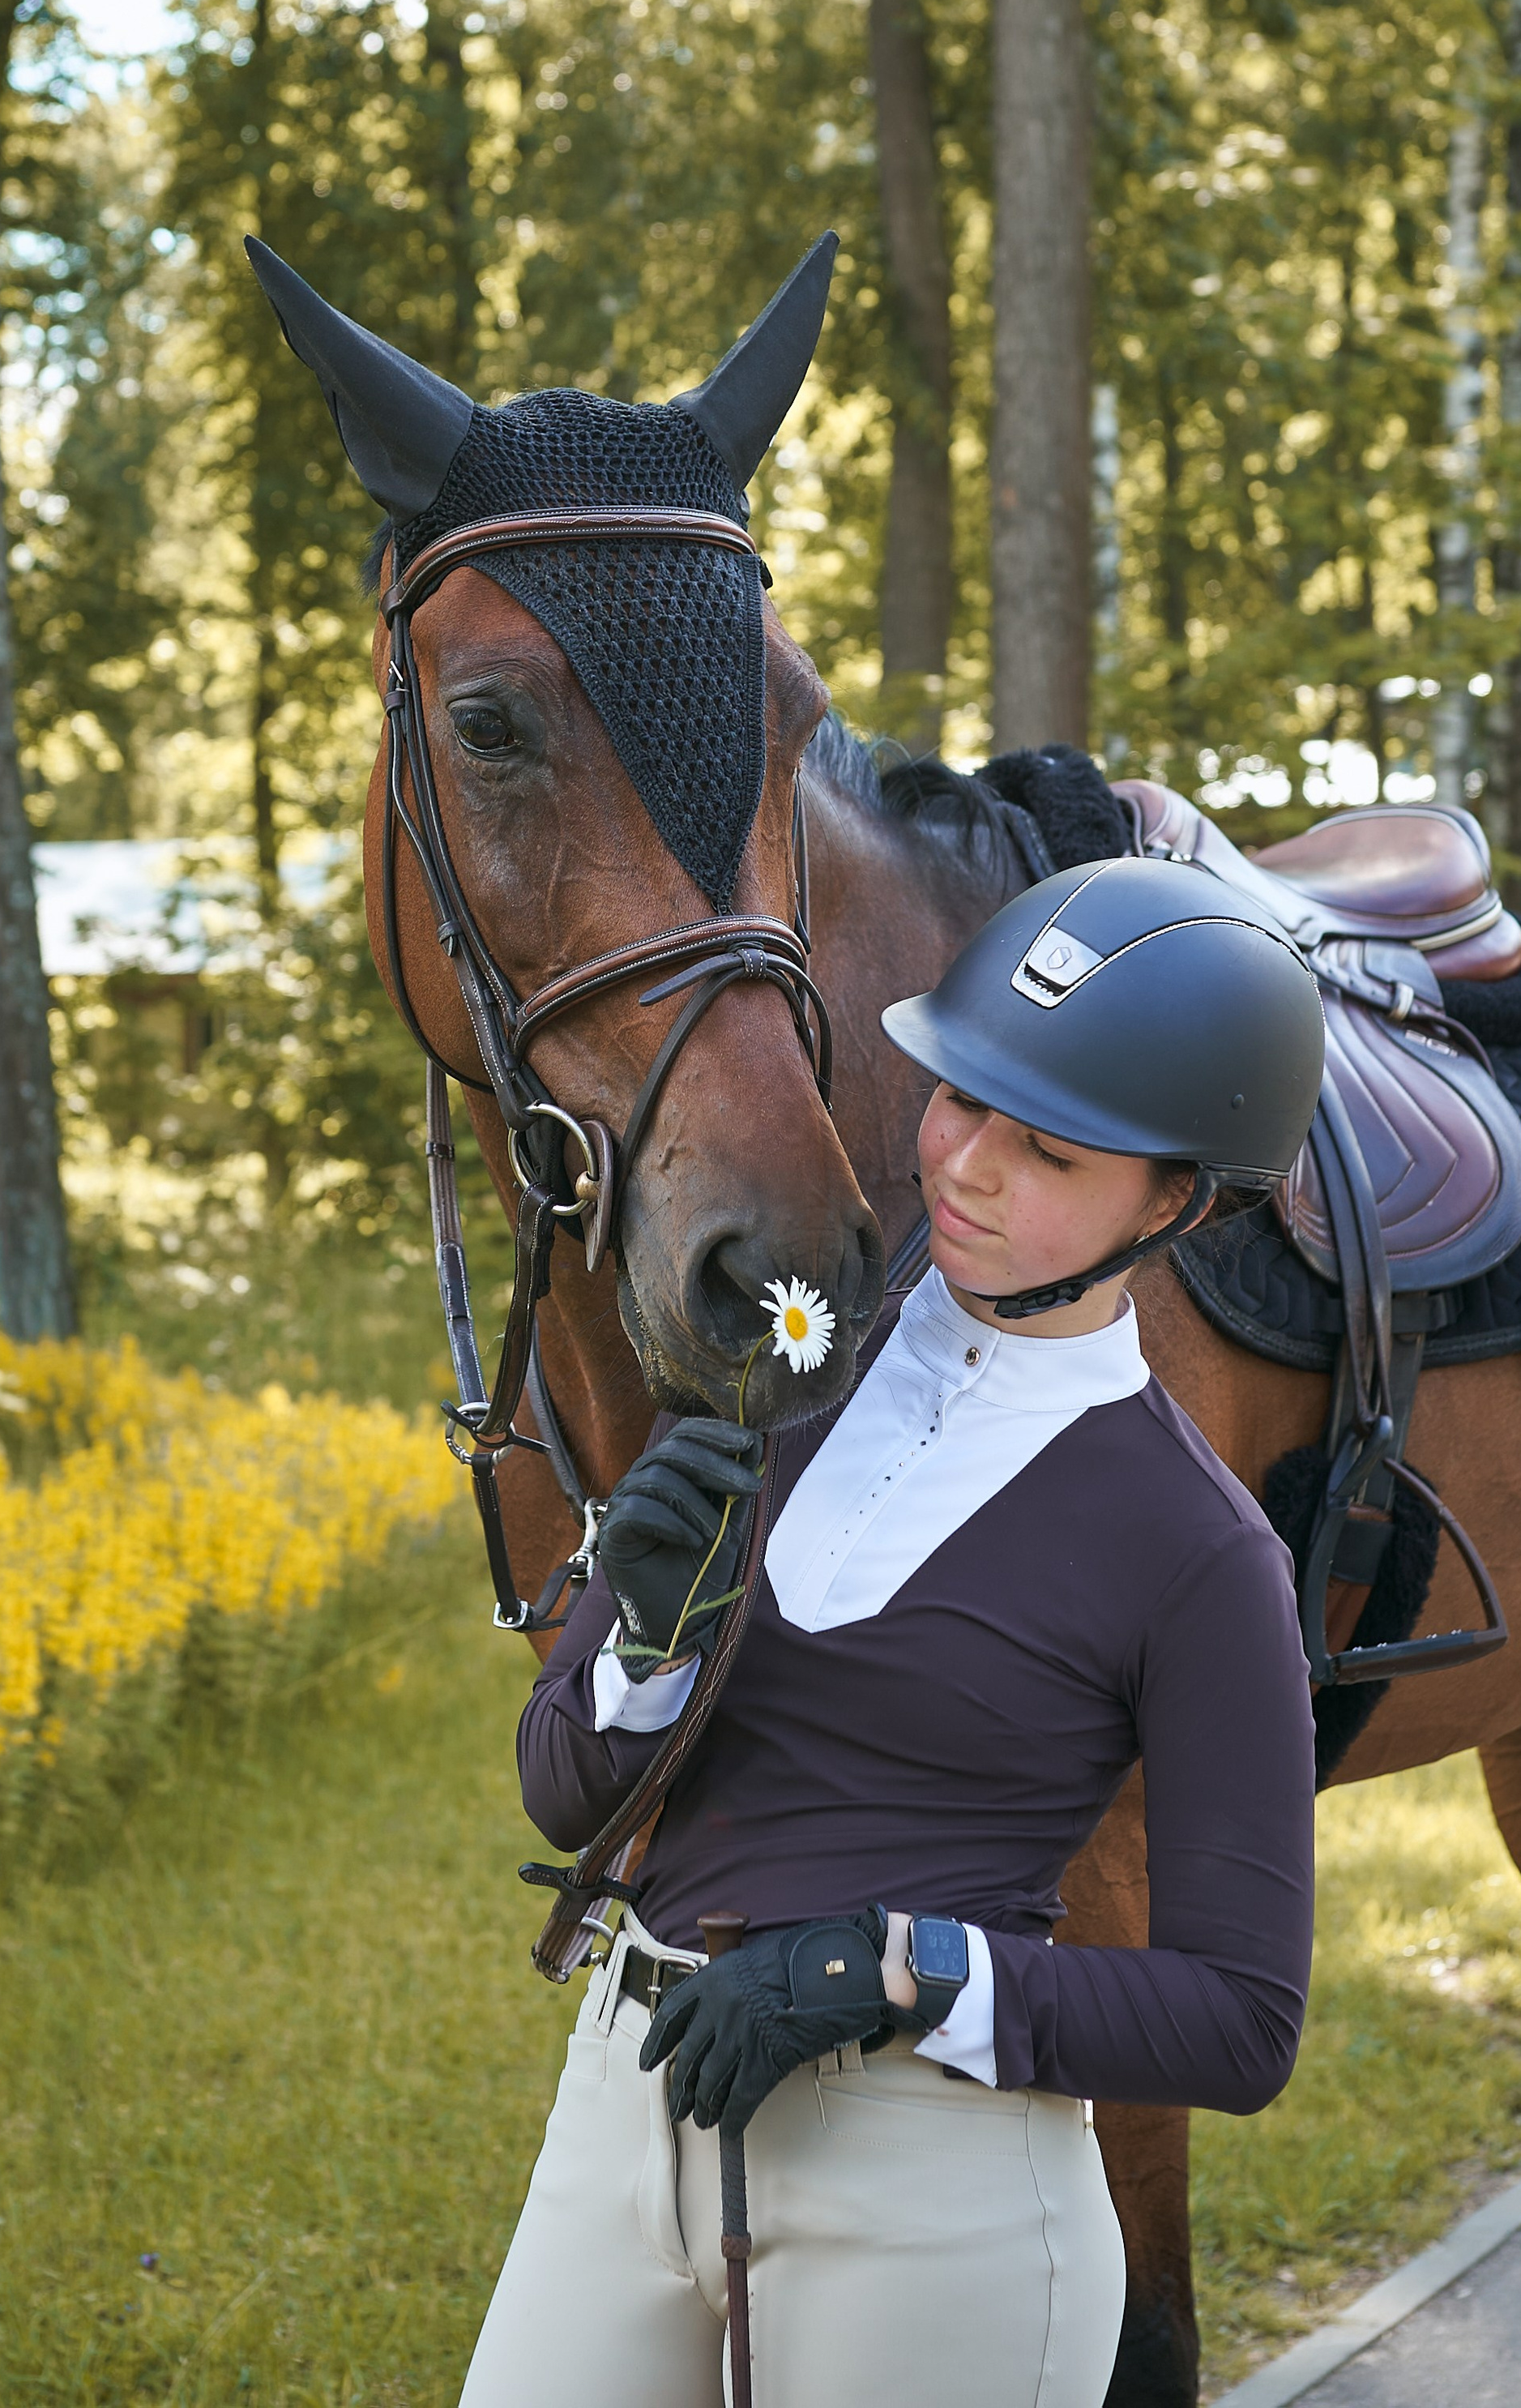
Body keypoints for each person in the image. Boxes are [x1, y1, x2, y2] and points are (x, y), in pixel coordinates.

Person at [460, 857, 1327, 2408]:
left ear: (1176, 1199)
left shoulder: (1201, 1556)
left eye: (1048, 1148)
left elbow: (1242, 2018)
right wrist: (645, 1640)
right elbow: (562, 1791)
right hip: (624, 2103)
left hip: (931, 2188)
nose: (968, 1166)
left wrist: (905, 1968)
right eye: (956, 1097)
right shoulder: (774, 1351)